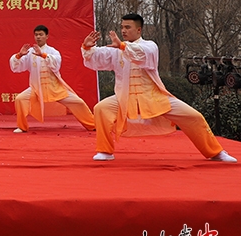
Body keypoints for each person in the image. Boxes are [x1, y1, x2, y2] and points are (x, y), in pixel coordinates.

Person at [82, 13, 235, 162]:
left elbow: (141, 56)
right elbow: (97, 58)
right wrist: (87, 48)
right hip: (125, 97)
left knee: (193, 116)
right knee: (102, 108)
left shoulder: (149, 46)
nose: (123, 31)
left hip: (153, 96)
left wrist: (122, 46)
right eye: (122, 27)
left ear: (139, 30)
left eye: (128, 27)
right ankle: (105, 151)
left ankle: (216, 152)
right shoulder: (116, 50)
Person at [9, 25, 95, 133]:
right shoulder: (29, 52)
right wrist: (19, 55)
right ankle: (22, 126)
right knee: (20, 99)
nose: (38, 37)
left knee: (78, 102)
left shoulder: (53, 51)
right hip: (36, 88)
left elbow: (56, 65)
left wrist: (43, 55)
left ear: (47, 36)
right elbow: (16, 67)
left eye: (41, 34)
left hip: (55, 87)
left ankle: (93, 125)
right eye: (36, 35)